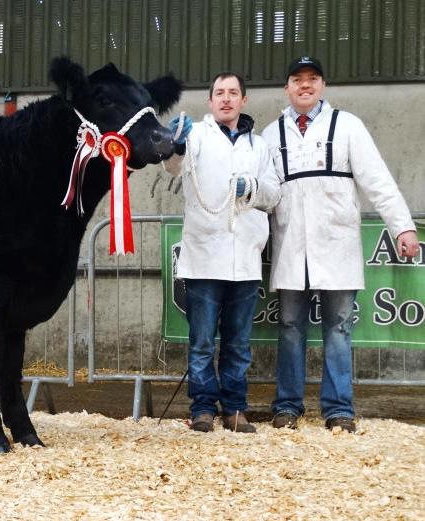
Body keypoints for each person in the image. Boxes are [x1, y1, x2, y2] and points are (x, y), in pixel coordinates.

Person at [261, 56, 420, 432]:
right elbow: (264, 192)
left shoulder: (347, 126)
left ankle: (338, 410)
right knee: (290, 326)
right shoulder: (271, 134)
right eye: (297, 79)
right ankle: (287, 406)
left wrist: (403, 228)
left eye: (312, 78)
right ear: (287, 88)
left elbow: (378, 180)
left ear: (323, 86)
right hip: (291, 247)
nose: (305, 85)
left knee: (338, 327)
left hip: (337, 244)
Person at [168, 72, 281, 433]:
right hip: (203, 256)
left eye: (233, 92)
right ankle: (203, 408)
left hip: (245, 257)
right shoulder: (196, 136)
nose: (226, 98)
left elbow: (274, 193)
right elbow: (173, 167)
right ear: (210, 101)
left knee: (238, 344)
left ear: (243, 100)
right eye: (220, 93)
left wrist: (252, 187)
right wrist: (177, 145)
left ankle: (234, 409)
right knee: (202, 343)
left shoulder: (259, 146)